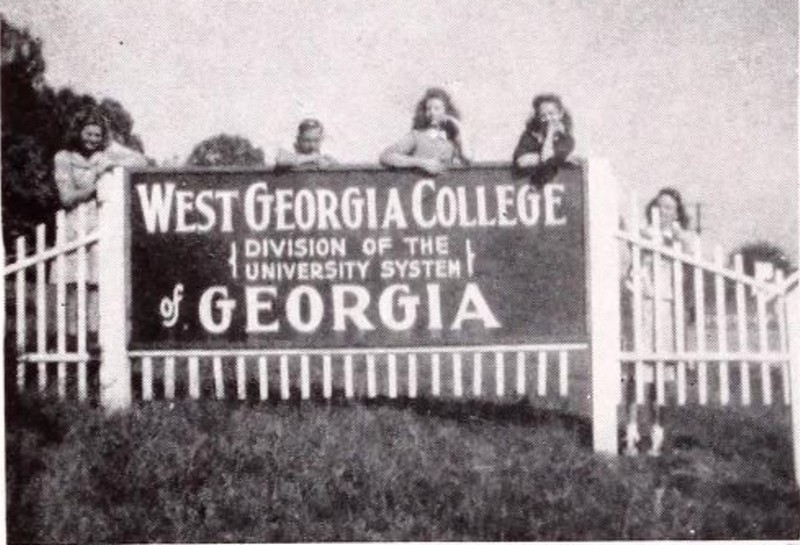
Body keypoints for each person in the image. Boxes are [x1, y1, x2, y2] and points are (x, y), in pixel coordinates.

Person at [52, 108, 147, 338]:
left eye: (97, 135)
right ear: (78, 132)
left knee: (96, 282)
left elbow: (141, 161)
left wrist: (111, 152)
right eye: (88, 134)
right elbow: (66, 197)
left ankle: (94, 333)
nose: (92, 139)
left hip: (98, 224)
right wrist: (96, 182)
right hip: (73, 225)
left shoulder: (103, 155)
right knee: (73, 283)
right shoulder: (63, 158)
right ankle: (71, 336)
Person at [624, 187, 695, 455]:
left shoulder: (680, 239)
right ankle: (630, 432)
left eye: (670, 208)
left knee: (661, 375)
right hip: (644, 307)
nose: (665, 212)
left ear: (677, 212)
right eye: (661, 206)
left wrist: (677, 240)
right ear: (653, 208)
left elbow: (690, 265)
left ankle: (657, 434)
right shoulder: (643, 234)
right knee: (636, 373)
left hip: (667, 309)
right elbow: (633, 270)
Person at [380, 87, 470, 175]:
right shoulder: (417, 135)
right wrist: (422, 163)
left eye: (436, 108)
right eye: (428, 109)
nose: (431, 113)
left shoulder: (451, 139)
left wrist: (459, 126)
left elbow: (468, 158)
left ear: (446, 112)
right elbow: (387, 156)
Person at [512, 94, 575, 180]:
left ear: (560, 114)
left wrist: (550, 134)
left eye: (551, 114)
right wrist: (550, 159)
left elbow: (546, 157)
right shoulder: (529, 135)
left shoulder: (566, 140)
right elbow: (521, 161)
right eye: (543, 115)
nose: (548, 118)